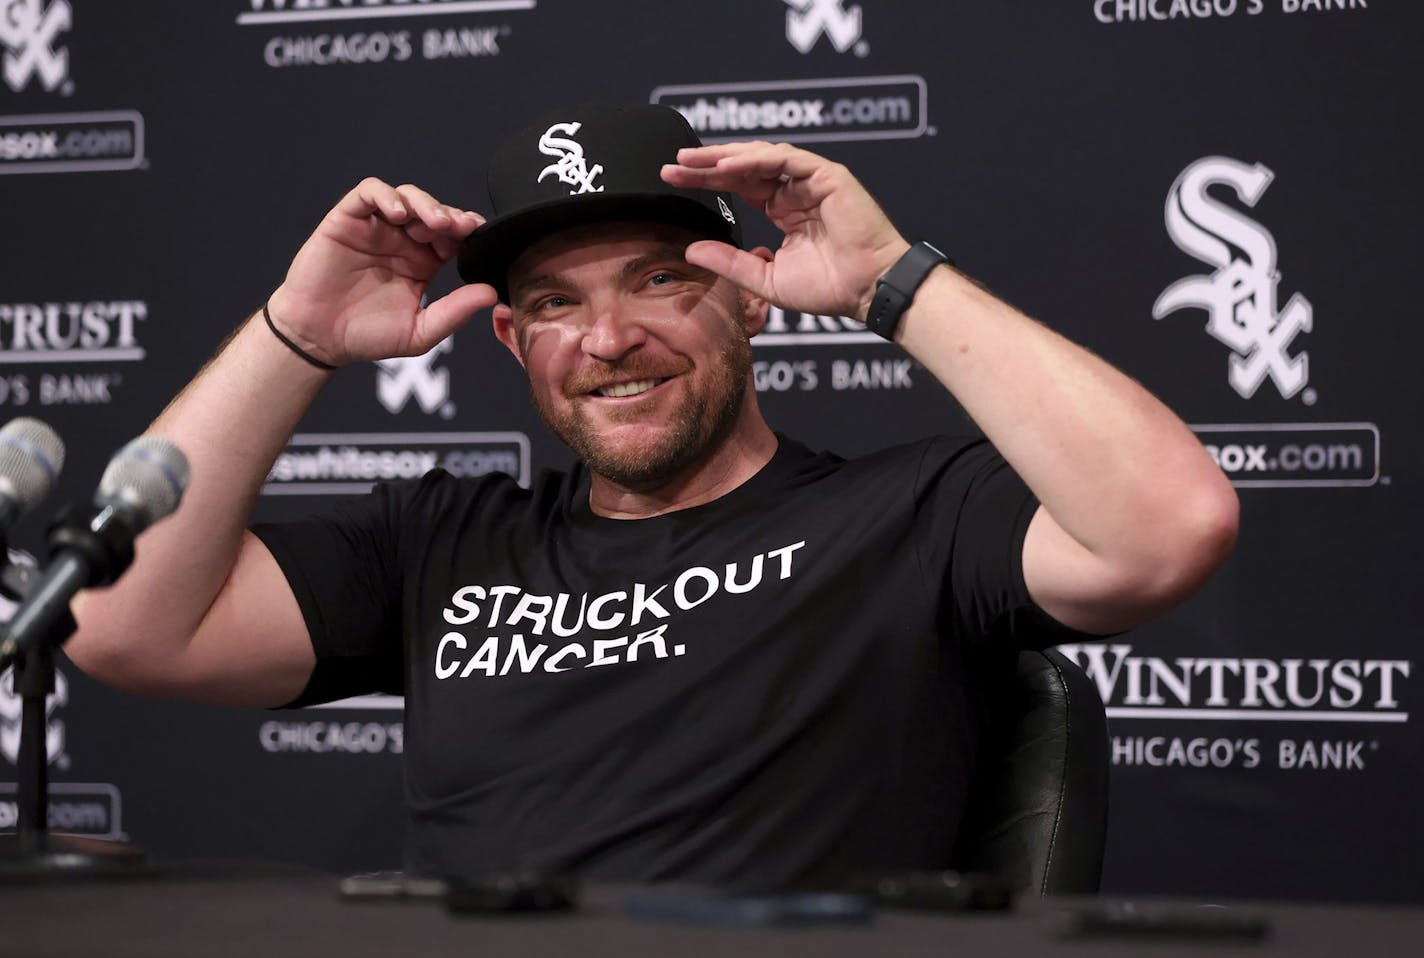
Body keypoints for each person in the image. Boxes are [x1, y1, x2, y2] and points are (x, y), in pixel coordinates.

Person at [64, 105, 1237, 886]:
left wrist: (890, 281)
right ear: (514, 341)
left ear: (753, 300)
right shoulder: (438, 538)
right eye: (558, 306)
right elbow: (125, 623)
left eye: (661, 280)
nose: (609, 339)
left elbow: (1166, 527)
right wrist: (296, 335)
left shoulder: (909, 516)